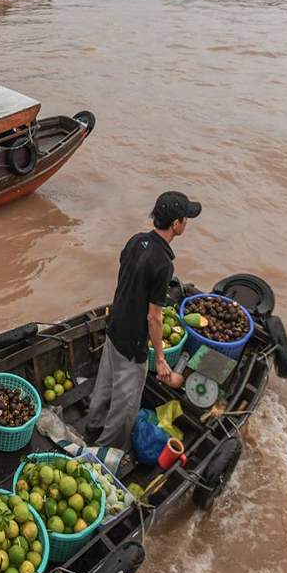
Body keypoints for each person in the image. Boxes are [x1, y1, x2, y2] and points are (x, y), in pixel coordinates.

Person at [85, 192, 201, 449]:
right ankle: (101, 453)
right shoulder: (162, 264)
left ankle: (91, 425)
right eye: (185, 219)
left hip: (114, 328)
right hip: (133, 344)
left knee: (104, 386)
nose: (186, 224)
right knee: (125, 408)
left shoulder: (136, 241)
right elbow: (154, 317)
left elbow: (126, 276)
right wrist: (160, 359)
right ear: (176, 224)